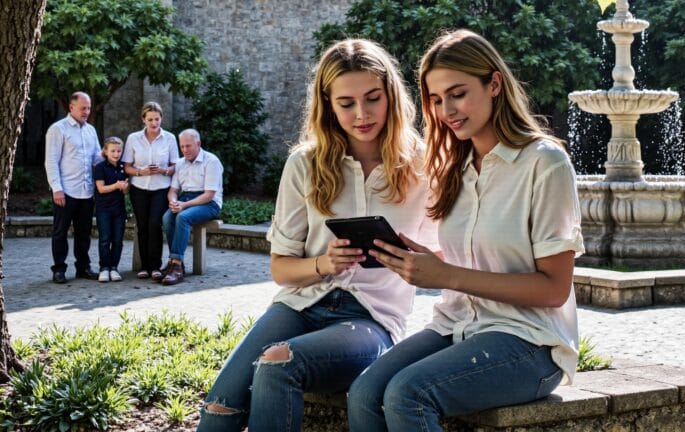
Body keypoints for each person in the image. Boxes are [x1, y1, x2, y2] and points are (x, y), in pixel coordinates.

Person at [347, 30, 584, 432]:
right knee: (365, 392)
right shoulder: (453, 167)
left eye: (457, 94)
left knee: (407, 394)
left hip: (531, 342)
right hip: (457, 325)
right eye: (436, 99)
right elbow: (472, 260)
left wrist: (447, 275)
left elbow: (554, 289)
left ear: (494, 84)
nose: (447, 110)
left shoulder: (545, 164)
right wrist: (425, 261)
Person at [197, 39, 436, 432]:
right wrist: (325, 263)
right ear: (328, 104)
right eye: (346, 103)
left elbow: (449, 254)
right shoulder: (305, 164)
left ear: (391, 96)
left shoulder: (423, 165)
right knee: (219, 407)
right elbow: (281, 269)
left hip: (371, 318)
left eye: (372, 98)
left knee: (277, 363)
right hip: (299, 305)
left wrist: (415, 260)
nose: (362, 114)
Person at [45, 91, 102, 283]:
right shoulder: (58, 129)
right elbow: (51, 161)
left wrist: (113, 157)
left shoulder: (91, 130)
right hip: (66, 191)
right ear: (71, 107)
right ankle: (59, 269)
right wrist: (56, 188)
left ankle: (83, 268)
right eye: (83, 108)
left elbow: (97, 159)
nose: (86, 111)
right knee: (60, 232)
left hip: (86, 191)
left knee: (83, 233)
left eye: (88, 108)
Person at [159, 129, 224, 286]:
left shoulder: (212, 161)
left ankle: (175, 265)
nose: (185, 150)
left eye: (188, 146)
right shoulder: (180, 163)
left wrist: (184, 205)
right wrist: (173, 201)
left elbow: (209, 194)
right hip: (185, 199)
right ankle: (176, 263)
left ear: (198, 144)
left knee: (183, 217)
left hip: (209, 203)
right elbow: (173, 190)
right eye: (182, 146)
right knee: (167, 218)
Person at [124, 101, 179, 280]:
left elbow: (175, 166)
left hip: (161, 188)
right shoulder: (133, 138)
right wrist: (141, 172)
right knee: (142, 226)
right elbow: (127, 167)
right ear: (143, 120)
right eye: (150, 120)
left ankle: (155, 266)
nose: (154, 123)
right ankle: (144, 267)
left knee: (155, 224)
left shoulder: (170, 138)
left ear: (161, 118)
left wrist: (163, 170)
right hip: (139, 188)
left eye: (157, 119)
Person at [93, 136, 130, 282]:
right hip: (104, 210)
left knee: (118, 240)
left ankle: (114, 267)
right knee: (104, 239)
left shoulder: (123, 167)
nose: (116, 154)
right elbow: (101, 189)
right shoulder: (100, 167)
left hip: (119, 210)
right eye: (113, 151)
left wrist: (125, 187)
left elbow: (125, 191)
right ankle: (104, 268)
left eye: (119, 151)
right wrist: (116, 185)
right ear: (105, 151)